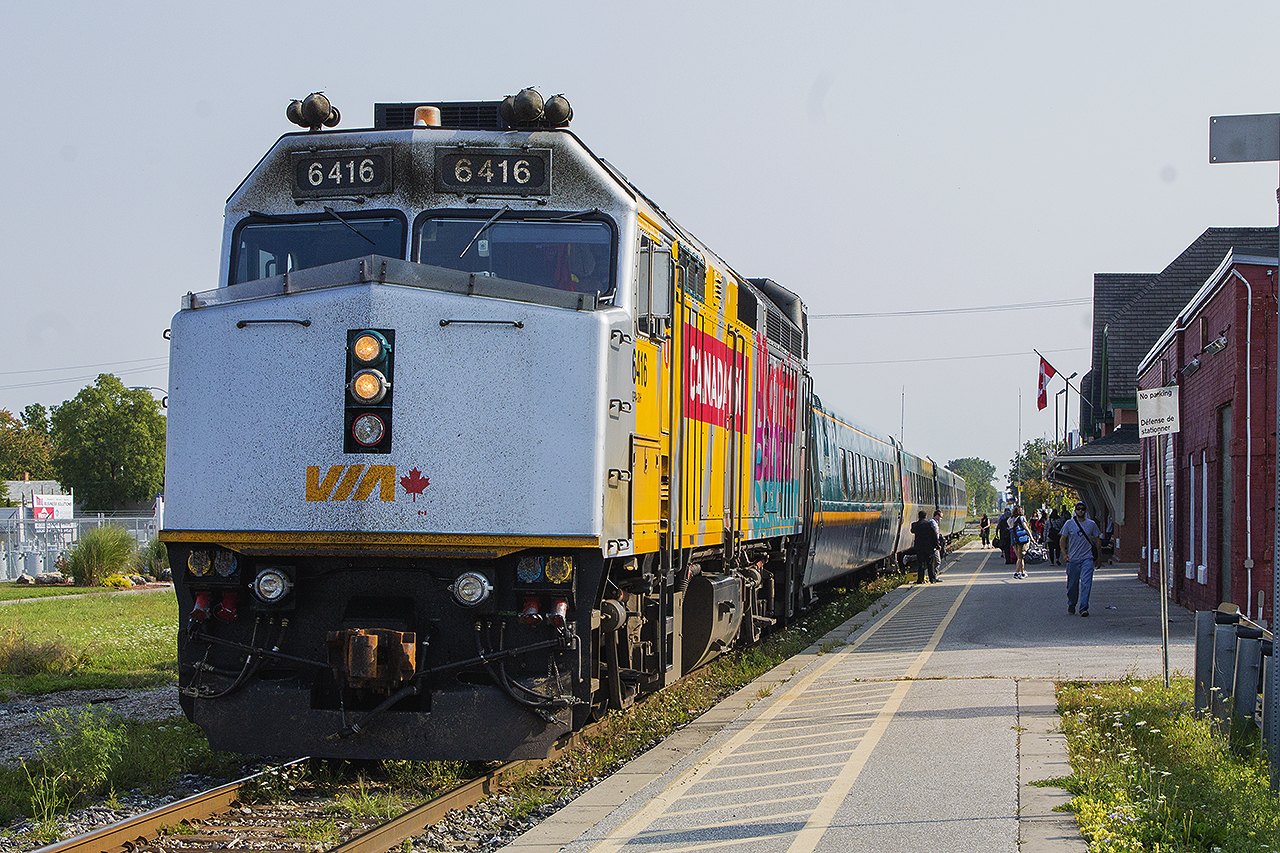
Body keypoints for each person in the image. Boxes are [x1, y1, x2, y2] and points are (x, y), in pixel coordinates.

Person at [1060, 500, 1102, 616]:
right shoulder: (1069, 524)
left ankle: (1084, 607)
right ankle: (1072, 604)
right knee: (1072, 585)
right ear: (1075, 510)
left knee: (1086, 583)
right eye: (1078, 509)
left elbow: (1098, 541)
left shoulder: (1091, 524)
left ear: (1085, 511)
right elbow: (1062, 539)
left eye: (1082, 509)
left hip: (1087, 558)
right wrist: (1064, 553)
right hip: (1073, 559)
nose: (1080, 511)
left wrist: (1099, 557)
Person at [910, 510, 940, 583]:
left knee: (921, 564)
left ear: (918, 516)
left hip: (919, 547)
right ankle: (932, 579)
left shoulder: (915, 525)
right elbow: (934, 535)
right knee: (930, 563)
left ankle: (920, 579)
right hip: (928, 547)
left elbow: (912, 531)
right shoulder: (929, 524)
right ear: (926, 517)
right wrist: (937, 545)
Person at [1008, 505, 1031, 579]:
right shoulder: (1021, 518)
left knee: (1019, 557)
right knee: (1021, 557)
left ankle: (1022, 571)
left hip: (1013, 539)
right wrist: (1031, 536)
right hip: (1021, 539)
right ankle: (1017, 572)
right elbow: (1025, 527)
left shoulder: (1010, 519)